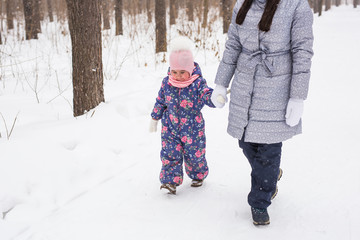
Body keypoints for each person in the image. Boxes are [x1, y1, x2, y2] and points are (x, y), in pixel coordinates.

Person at [211, 0, 314, 225]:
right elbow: (233, 45)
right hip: (245, 83)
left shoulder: (296, 6)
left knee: (268, 149)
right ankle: (270, 173)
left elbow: (302, 51)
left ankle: (259, 201)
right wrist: (221, 83)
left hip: (276, 87)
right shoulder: (242, 4)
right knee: (245, 141)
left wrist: (298, 96)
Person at [150, 37, 216, 195]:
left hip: (193, 128)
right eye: (174, 71)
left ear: (190, 69)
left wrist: (215, 98)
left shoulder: (197, 83)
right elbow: (160, 101)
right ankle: (170, 181)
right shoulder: (167, 83)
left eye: (182, 72)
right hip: (170, 128)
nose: (178, 76)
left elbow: (206, 94)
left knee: (195, 155)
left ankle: (198, 175)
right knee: (169, 154)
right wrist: (154, 118)